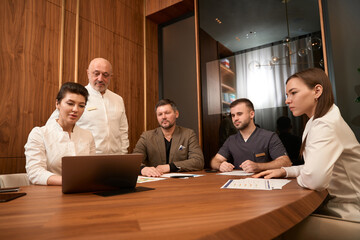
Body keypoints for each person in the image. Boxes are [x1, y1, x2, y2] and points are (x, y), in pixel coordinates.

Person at [254, 68, 360, 221]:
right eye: (287, 95)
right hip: (334, 205)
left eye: (293, 92)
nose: (287, 100)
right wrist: (285, 171)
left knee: (276, 223)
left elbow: (315, 179)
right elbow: (314, 168)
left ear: (317, 91)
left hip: (349, 211)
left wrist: (302, 175)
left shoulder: (325, 124)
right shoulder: (318, 120)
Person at [48, 58, 129, 154]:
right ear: (88, 73)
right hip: (87, 157)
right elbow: (53, 126)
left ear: (111, 76)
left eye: (105, 75)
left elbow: (123, 130)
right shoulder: (78, 97)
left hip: (116, 159)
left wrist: (123, 153)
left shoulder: (118, 99)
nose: (100, 79)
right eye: (96, 73)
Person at [25, 82, 96, 186]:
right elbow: (35, 173)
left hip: (82, 193)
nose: (75, 109)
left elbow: (91, 169)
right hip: (49, 195)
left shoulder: (88, 135)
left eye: (81, 105)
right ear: (57, 104)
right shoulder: (39, 134)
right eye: (70, 103)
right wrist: (70, 182)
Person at [211, 98, 291, 173]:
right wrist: (220, 165)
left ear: (252, 114)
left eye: (239, 114)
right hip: (238, 184)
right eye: (233, 115)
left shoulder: (269, 137)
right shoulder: (231, 140)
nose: (235, 118)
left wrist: (258, 166)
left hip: (263, 182)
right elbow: (215, 161)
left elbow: (286, 162)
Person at [133, 99, 204, 177]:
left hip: (181, 183)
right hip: (155, 182)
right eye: (160, 114)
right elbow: (133, 161)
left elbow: (198, 161)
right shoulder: (146, 136)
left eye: (167, 113)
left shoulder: (188, 134)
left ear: (176, 114)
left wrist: (170, 167)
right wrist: (143, 169)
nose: (163, 117)